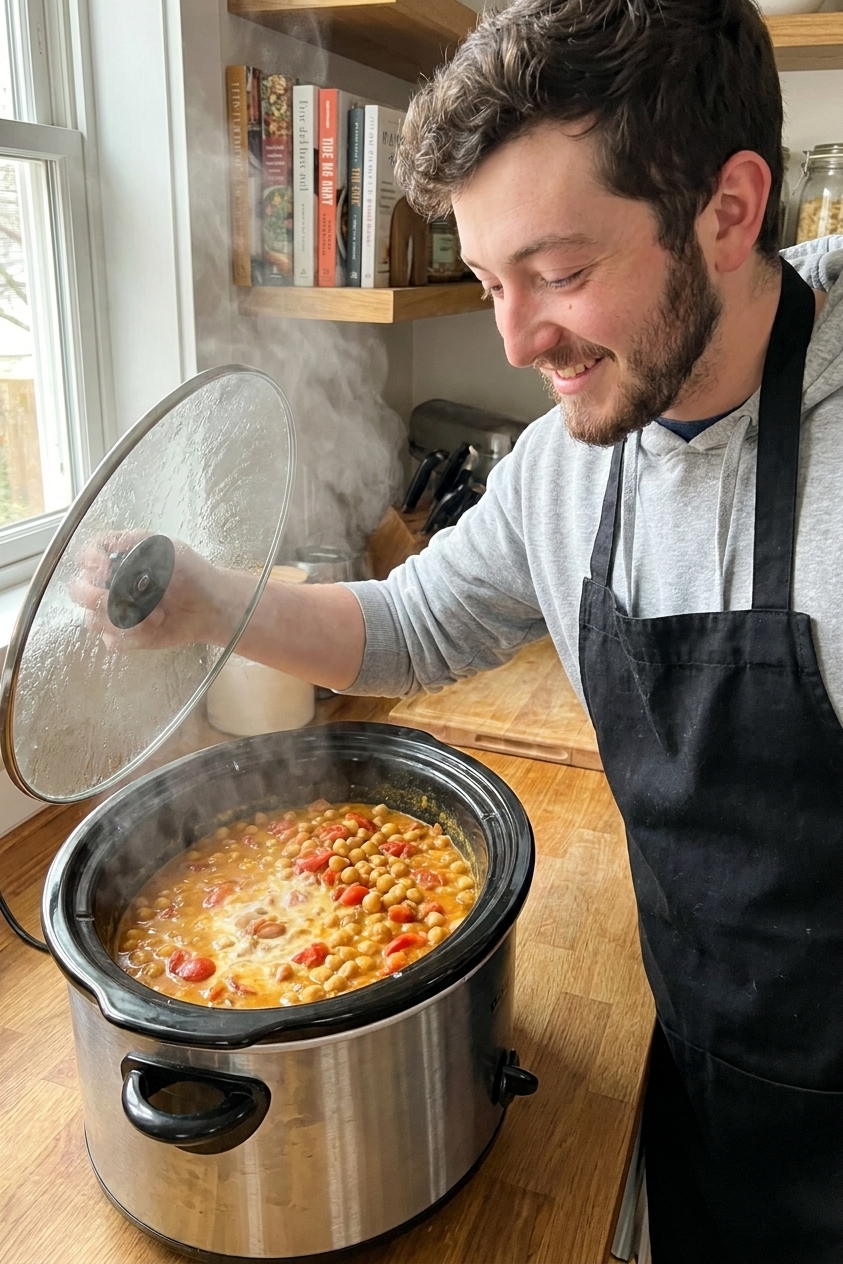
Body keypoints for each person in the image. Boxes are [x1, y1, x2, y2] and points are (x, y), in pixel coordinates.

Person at [80, 1, 843, 1259]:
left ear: (729, 208)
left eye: (561, 271)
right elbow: (409, 625)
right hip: (711, 1069)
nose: (517, 337)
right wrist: (207, 601)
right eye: (493, 280)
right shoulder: (562, 466)